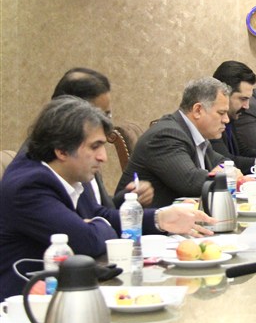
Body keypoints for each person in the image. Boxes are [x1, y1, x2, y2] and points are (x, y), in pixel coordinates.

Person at [0, 96, 216, 301]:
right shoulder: (29, 186)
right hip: (25, 307)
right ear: (61, 150)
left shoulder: (69, 171)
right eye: (95, 146)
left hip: (73, 291)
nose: (103, 157)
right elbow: (87, 242)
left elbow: (100, 215)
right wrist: (94, 226)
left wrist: (160, 219)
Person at [16, 67, 155, 208]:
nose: (107, 123)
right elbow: (81, 218)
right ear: (73, 111)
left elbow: (96, 209)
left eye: (108, 115)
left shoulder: (82, 149)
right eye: (101, 115)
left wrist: (129, 198)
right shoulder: (42, 164)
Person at [115, 77, 235, 209]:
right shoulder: (166, 135)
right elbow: (191, 182)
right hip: (146, 220)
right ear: (198, 110)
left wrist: (226, 170)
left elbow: (223, 162)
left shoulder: (195, 135)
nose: (226, 119)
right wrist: (226, 175)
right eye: (221, 113)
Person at [209, 61, 256, 173]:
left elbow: (243, 151)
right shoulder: (211, 122)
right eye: (243, 99)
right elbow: (228, 162)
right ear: (224, 94)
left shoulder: (231, 118)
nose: (247, 106)